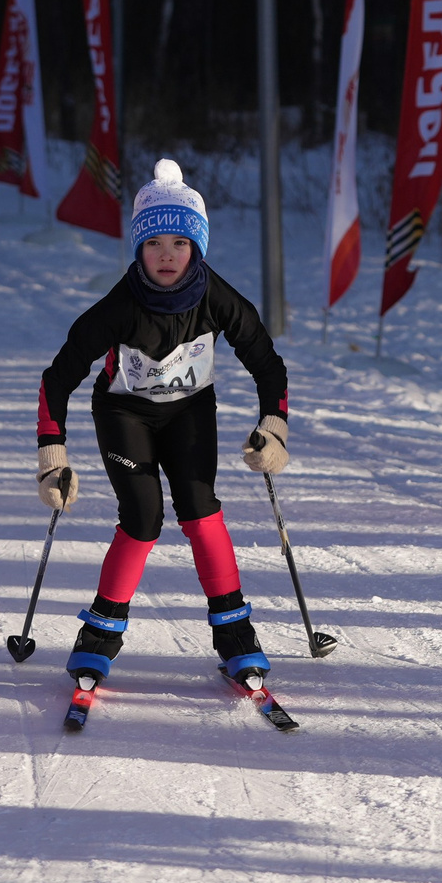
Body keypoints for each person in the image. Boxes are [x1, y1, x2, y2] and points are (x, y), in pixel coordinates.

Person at [36, 158, 292, 701]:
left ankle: (235, 633)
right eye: (154, 243)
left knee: (201, 509)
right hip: (123, 414)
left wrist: (274, 429)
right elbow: (57, 379)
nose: (167, 254)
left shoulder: (218, 298)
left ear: (197, 247)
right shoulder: (119, 306)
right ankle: (99, 635)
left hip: (189, 412)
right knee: (143, 516)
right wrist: (53, 457)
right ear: (139, 249)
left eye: (180, 242)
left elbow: (268, 365)